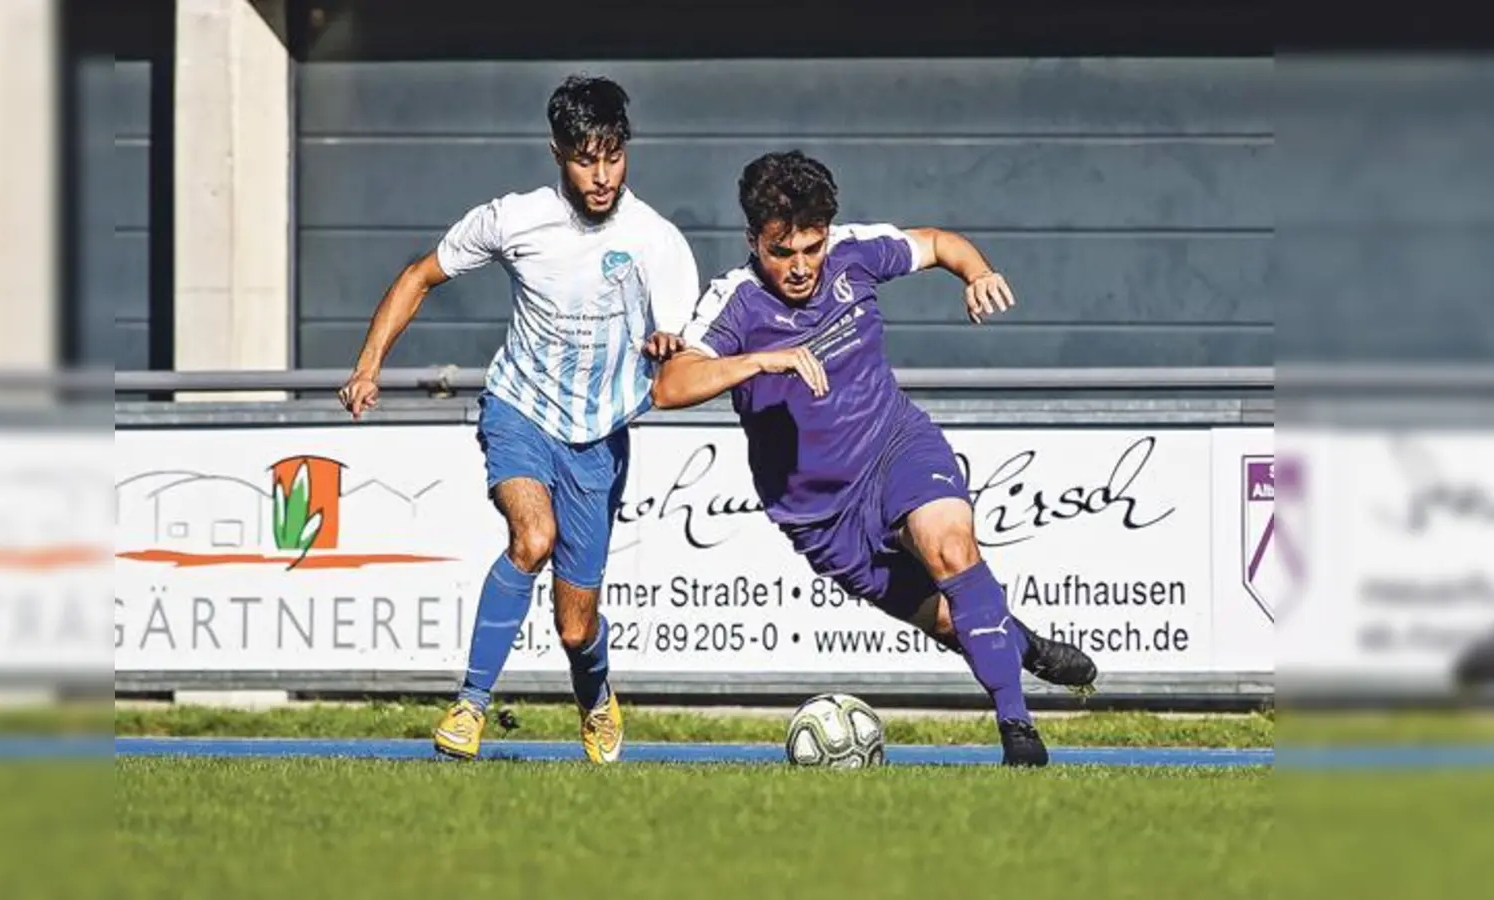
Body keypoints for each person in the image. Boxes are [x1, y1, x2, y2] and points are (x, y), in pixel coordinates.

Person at [651, 150, 1097, 766]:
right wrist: (758, 360)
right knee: (950, 621)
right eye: (783, 253)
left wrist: (977, 273)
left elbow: (940, 243)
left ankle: (1017, 731)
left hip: (895, 446)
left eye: (812, 248)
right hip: (821, 517)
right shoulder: (737, 302)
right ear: (754, 241)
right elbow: (670, 386)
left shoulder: (857, 253)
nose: (802, 266)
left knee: (952, 549)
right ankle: (1023, 646)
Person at [338, 75, 700, 763]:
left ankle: (594, 701)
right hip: (520, 411)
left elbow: (681, 341)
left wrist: (667, 341)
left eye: (613, 156)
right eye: (585, 158)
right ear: (556, 153)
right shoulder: (513, 219)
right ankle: (470, 707)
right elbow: (418, 275)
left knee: (574, 627)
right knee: (531, 538)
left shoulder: (657, 241)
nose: (601, 176)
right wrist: (367, 365)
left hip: (598, 438)